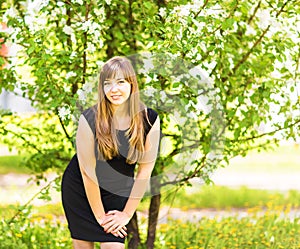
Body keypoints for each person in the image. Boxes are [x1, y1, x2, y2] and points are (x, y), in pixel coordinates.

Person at [61, 56, 160, 249]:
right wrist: (100, 216)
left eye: (120, 82)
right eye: (108, 84)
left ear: (132, 84)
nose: (114, 89)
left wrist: (126, 214)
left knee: (113, 246)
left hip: (117, 190)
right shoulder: (89, 119)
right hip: (82, 189)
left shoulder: (149, 119)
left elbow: (144, 172)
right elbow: (87, 172)